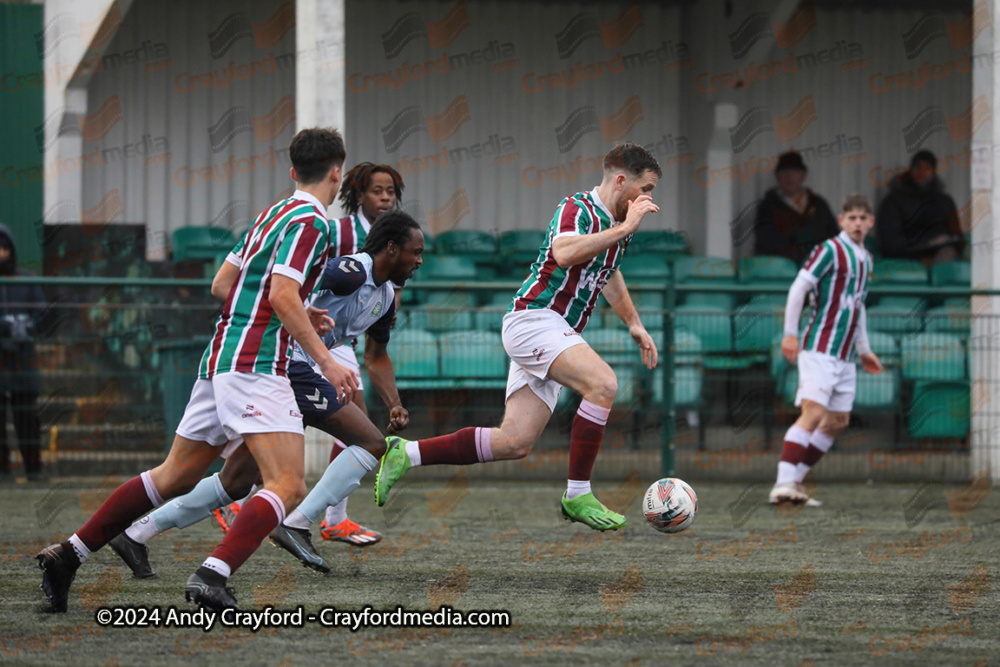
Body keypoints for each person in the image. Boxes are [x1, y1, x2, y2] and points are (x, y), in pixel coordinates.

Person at [37, 128, 354, 612]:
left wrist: (295, 311)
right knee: (287, 485)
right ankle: (212, 575)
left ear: (293, 172)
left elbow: (223, 283)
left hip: (220, 359)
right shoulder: (315, 223)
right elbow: (281, 294)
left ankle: (69, 554)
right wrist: (327, 358)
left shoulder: (272, 214)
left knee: (174, 476)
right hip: (256, 364)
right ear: (338, 171)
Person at [110, 211, 421, 577]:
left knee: (237, 480)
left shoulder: (384, 297)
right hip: (286, 364)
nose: (419, 261)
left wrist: (395, 403)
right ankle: (297, 522)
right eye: (415, 252)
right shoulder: (349, 271)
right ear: (390, 248)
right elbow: (277, 288)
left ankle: (135, 534)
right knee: (371, 442)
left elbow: (377, 356)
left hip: (295, 372)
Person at [374, 142, 661, 531]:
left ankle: (406, 453)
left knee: (514, 442)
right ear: (622, 180)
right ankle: (578, 493)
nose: (648, 200)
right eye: (645, 189)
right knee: (604, 384)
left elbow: (608, 273)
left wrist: (634, 323)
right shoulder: (578, 208)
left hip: (557, 331)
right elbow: (563, 252)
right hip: (535, 321)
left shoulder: (618, 225)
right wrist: (625, 228)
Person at [213, 162, 406, 547]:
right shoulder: (335, 229)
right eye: (376, 190)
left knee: (355, 422)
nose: (384, 197)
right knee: (334, 427)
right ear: (356, 193)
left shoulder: (400, 235)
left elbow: (382, 297)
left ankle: (333, 517)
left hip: (339, 341)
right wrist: (304, 317)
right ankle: (242, 496)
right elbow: (300, 281)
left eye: (390, 191)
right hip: (307, 338)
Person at [770, 193, 884, 505]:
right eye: (852, 217)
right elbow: (799, 287)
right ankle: (782, 484)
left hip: (846, 355)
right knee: (814, 412)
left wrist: (864, 349)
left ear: (871, 222)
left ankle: (793, 483)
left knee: (837, 423)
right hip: (819, 346)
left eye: (863, 218)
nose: (858, 223)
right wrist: (789, 334)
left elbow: (857, 306)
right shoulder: (830, 250)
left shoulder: (866, 259)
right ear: (842, 221)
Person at [0, 224, 47, 482]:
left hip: (22, 360)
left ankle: (34, 469)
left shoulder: (26, 280)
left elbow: (42, 314)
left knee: (27, 416)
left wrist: (25, 325)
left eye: (4, 247)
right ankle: (2, 471)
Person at [876, 150, 964, 264]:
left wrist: (946, 242)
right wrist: (928, 243)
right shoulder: (893, 201)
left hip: (943, 255)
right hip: (907, 259)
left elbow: (957, 237)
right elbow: (890, 244)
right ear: (911, 170)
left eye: (927, 168)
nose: (922, 173)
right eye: (918, 168)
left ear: (933, 172)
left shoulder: (945, 201)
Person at [753, 151, 839, 264]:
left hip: (817, 269)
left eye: (795, 171)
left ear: (803, 175)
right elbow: (766, 242)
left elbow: (833, 236)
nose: (790, 177)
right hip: (781, 271)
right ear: (777, 176)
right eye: (785, 172)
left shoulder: (818, 204)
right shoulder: (767, 206)